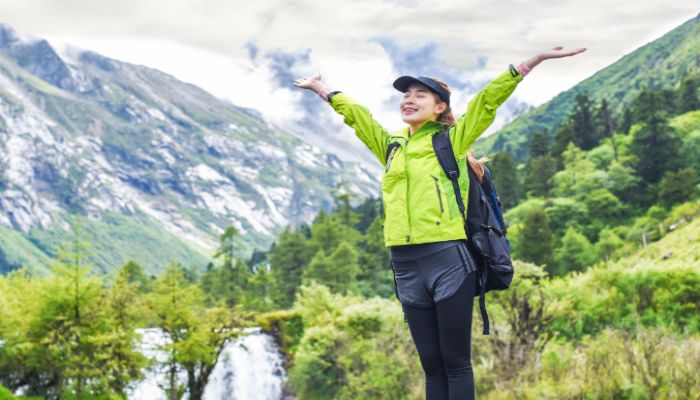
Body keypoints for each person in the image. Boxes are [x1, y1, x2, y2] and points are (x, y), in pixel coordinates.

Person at [294, 45, 586, 400]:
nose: (409, 100)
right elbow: (358, 117)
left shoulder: (451, 139)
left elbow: (486, 102)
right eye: (406, 95)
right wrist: (322, 90)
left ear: (440, 107)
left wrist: (531, 62)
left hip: (448, 259)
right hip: (404, 264)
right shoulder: (390, 146)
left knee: (455, 361)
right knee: (431, 364)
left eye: (420, 94)